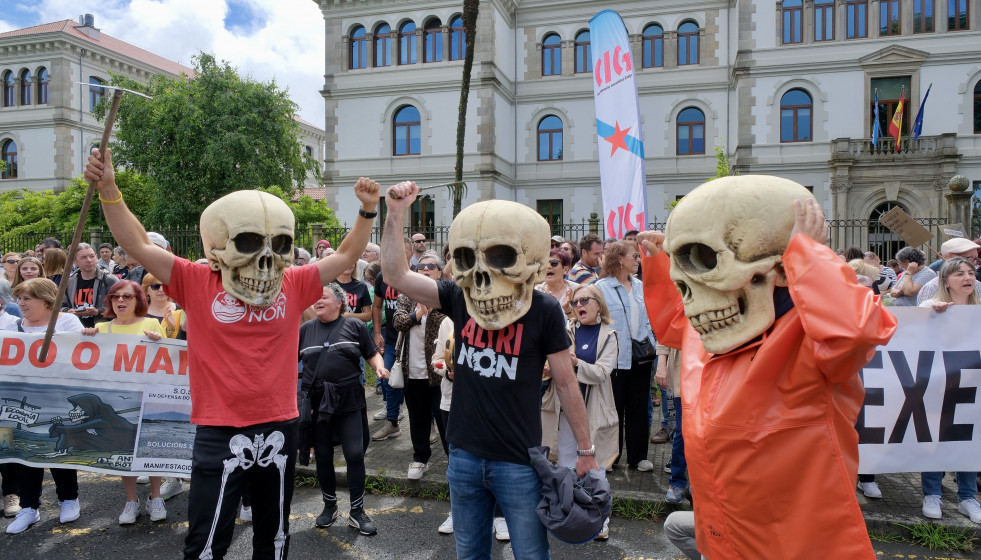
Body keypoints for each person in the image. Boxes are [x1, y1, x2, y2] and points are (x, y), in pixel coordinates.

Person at [84, 148, 381, 559]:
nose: (266, 260)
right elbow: (134, 241)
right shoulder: (195, 279)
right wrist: (110, 189)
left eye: (277, 246)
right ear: (217, 249)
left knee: (274, 538)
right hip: (219, 428)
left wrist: (367, 210)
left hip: (279, 423)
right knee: (206, 542)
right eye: (248, 244)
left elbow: (347, 256)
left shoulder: (292, 282)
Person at [641, 183, 897, 559]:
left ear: (778, 269)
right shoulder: (709, 335)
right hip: (726, 534)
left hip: (793, 546)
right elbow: (672, 324)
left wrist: (810, 256)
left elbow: (855, 331)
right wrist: (670, 266)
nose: (692, 295)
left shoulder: (809, 343)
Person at [382, 182, 599, 559]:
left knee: (531, 553)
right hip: (463, 454)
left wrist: (585, 450)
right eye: (469, 260)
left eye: (502, 258)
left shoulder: (544, 310)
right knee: (469, 553)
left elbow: (565, 383)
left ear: (531, 262)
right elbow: (396, 275)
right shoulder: (458, 297)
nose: (481, 277)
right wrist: (396, 211)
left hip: (518, 459)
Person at [299, 283, 388, 535]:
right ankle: (329, 506)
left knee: (354, 454)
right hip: (318, 405)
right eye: (316, 298)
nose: (318, 301)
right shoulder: (305, 330)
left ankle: (357, 511)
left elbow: (372, 353)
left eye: (324, 297)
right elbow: (286, 361)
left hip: (349, 400)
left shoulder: (354, 326)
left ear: (339, 302)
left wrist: (378, 368)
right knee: (324, 456)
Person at [79, 280, 167, 524]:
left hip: (147, 396)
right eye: (115, 296)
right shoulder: (101, 329)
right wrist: (87, 337)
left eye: (127, 296)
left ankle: (155, 497)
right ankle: (131, 500)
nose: (120, 301)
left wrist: (160, 340)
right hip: (117, 402)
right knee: (122, 450)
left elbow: (170, 356)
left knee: (150, 446)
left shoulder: (151, 323)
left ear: (138, 299)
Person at [3, 278, 84, 534]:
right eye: (19, 298)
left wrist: (91, 335)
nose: (21, 304)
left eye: (27, 299)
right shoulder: (10, 325)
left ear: (47, 301)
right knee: (26, 453)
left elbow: (87, 351)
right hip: (21, 401)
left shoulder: (67, 322)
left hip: (58, 398)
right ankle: (29, 508)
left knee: (59, 448)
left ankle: (69, 499)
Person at [541, 284, 618, 539]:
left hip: (594, 410)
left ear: (599, 304)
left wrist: (575, 364)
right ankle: (570, 513)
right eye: (575, 302)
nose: (579, 306)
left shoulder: (610, 335)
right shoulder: (567, 330)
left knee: (595, 467)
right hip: (566, 409)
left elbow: (603, 372)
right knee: (564, 461)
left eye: (585, 300)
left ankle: (600, 519)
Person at [918, 256, 981, 524]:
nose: (967, 278)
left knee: (969, 440)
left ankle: (967, 497)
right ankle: (932, 494)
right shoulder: (933, 307)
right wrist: (931, 307)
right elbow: (914, 319)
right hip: (939, 385)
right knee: (936, 438)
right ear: (946, 281)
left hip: (973, 386)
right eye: (959, 274)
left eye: (970, 273)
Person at [595, 241, 656, 471]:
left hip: (640, 356)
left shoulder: (641, 286)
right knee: (613, 409)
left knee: (638, 408)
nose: (638, 260)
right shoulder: (601, 287)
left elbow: (649, 317)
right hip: (614, 358)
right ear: (620, 259)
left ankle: (638, 457)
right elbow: (596, 320)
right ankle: (611, 457)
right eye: (634, 256)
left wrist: (649, 338)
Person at [391, 254, 448, 480]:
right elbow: (398, 322)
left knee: (444, 419)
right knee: (418, 418)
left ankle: (452, 460)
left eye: (430, 266)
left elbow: (449, 323)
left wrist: (430, 309)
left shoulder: (447, 297)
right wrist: (418, 313)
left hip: (439, 373)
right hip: (412, 372)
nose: (425, 269)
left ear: (439, 272)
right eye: (421, 266)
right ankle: (420, 458)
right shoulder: (406, 297)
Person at [60, 243, 119, 328]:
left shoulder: (109, 280)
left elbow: (120, 308)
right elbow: (59, 307)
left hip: (102, 331)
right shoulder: (68, 282)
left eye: (92, 256)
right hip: (75, 331)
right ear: (75, 261)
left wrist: (97, 312)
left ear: (96, 257)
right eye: (83, 257)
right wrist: (68, 311)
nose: (89, 260)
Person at [916, 238, 981, 305]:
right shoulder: (931, 288)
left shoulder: (978, 285)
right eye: (968, 258)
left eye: (976, 258)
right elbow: (922, 314)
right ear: (950, 257)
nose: (975, 263)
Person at [534, 248, 578, 323]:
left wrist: (568, 310)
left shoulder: (576, 290)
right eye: (545, 263)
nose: (548, 266)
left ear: (565, 269)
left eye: (553, 263)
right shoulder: (537, 292)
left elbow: (581, 323)